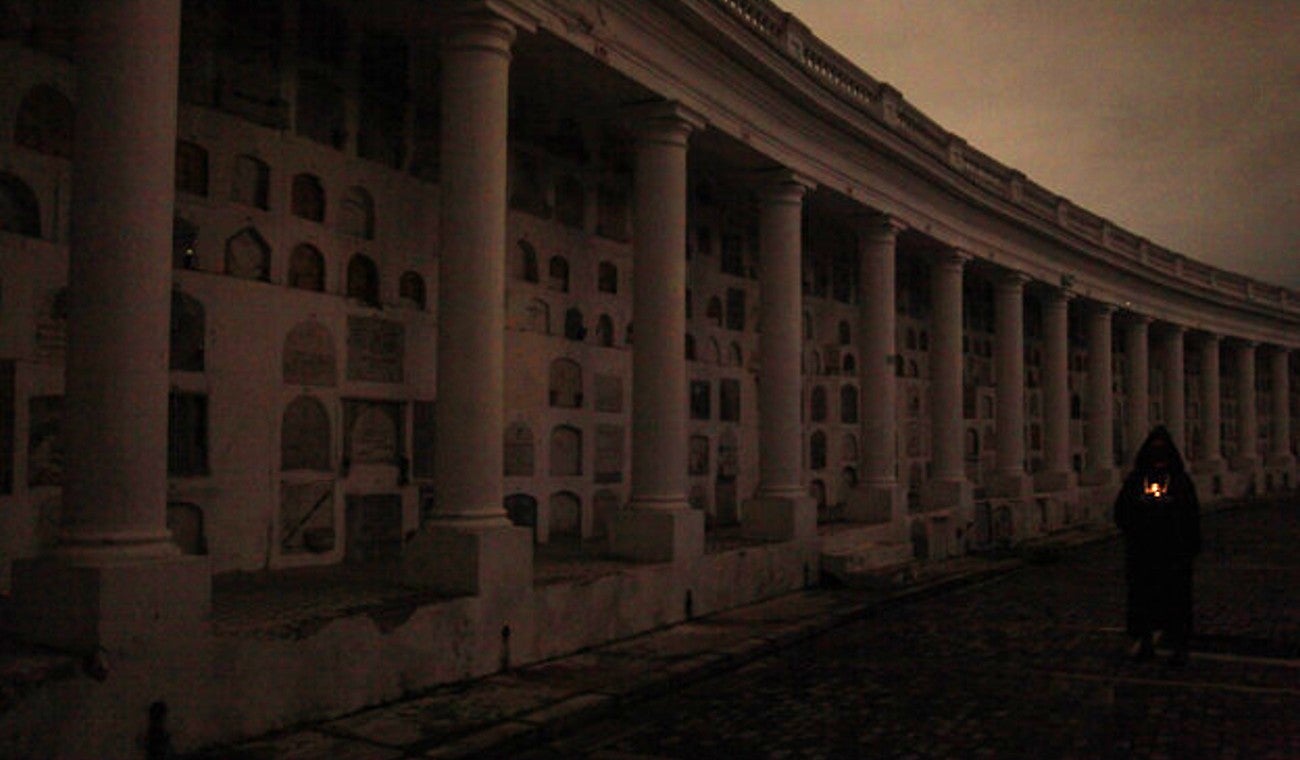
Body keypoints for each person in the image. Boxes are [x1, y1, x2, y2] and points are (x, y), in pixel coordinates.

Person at [1113, 426, 1201, 665]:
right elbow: (1122, 512)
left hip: (1173, 553)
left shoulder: (1180, 481)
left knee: (1176, 603)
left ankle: (1179, 647)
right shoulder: (1136, 480)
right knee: (1144, 602)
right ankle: (1145, 642)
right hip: (1144, 553)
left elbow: (1191, 514)